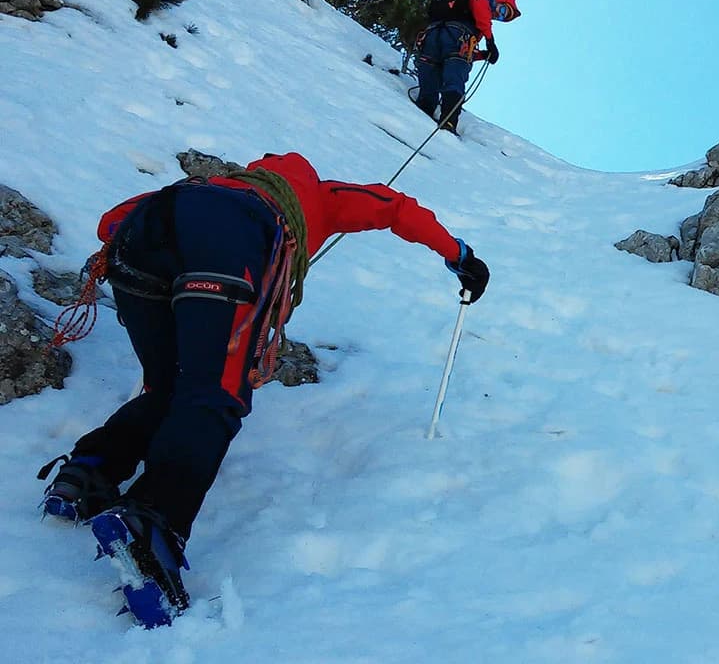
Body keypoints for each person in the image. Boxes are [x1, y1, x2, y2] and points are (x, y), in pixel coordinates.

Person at [37, 152, 489, 627]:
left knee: (169, 387)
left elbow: (112, 221)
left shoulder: (219, 182)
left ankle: (88, 471)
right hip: (232, 243)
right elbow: (392, 206)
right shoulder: (321, 197)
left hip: (147, 232)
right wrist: (458, 254)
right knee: (215, 394)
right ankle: (152, 524)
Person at [414, 0, 521, 134]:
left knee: (430, 76)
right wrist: (490, 40)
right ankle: (449, 122)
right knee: (455, 78)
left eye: (502, 18)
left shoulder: (470, 10)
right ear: (498, 1)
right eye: (503, 10)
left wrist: (483, 55)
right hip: (457, 36)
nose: (498, 16)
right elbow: (459, 53)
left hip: (432, 36)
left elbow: (465, 51)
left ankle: (421, 112)